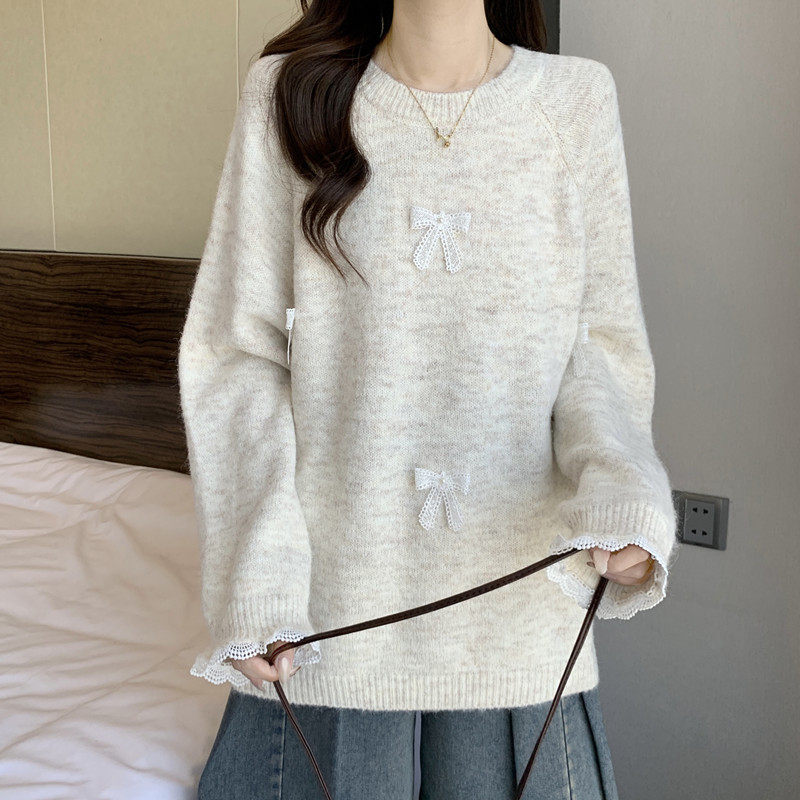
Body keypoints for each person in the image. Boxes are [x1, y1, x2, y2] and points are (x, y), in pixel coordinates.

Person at [178, 1, 679, 797]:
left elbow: (597, 348)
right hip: (326, 621)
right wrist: (257, 578)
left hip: (521, 617)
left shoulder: (574, 100)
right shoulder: (290, 95)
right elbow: (240, 359)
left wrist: (623, 493)